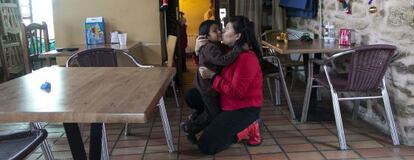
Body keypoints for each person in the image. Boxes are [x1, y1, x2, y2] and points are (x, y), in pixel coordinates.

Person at [194, 16, 263, 155]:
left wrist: (213, 77)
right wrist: (197, 51)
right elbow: (207, 67)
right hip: (226, 102)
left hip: (243, 108)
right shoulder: (228, 50)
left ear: (237, 36)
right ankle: (218, 122)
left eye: (226, 29)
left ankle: (248, 127)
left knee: (206, 146)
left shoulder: (246, 58)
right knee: (192, 96)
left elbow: (237, 93)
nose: (222, 32)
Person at [181, 20, 241, 144]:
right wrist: (237, 50)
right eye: (215, 31)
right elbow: (222, 60)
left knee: (211, 112)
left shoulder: (216, 45)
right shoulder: (210, 47)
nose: (220, 31)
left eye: (220, 29)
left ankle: (192, 124)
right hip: (208, 88)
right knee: (213, 113)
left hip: (208, 87)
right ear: (206, 36)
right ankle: (190, 127)